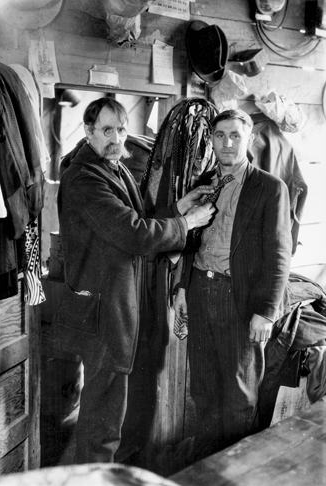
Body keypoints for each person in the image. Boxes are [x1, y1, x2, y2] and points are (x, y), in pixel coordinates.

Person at [50, 97, 216, 464]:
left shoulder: (115, 167)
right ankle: (93, 478)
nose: (116, 138)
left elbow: (138, 217)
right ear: (89, 130)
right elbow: (133, 233)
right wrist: (186, 224)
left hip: (116, 305)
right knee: (102, 421)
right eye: (107, 130)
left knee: (112, 412)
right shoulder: (83, 177)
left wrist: (179, 208)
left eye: (121, 129)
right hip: (101, 312)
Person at [174, 108, 292, 460]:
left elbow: (279, 253)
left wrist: (267, 312)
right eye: (220, 135)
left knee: (240, 396)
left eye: (235, 136)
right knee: (204, 391)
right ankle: (207, 473)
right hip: (200, 290)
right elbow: (189, 241)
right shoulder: (205, 183)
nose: (227, 143)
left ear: (250, 140)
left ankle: (236, 474)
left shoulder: (269, 188)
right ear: (211, 140)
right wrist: (182, 288)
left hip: (238, 298)